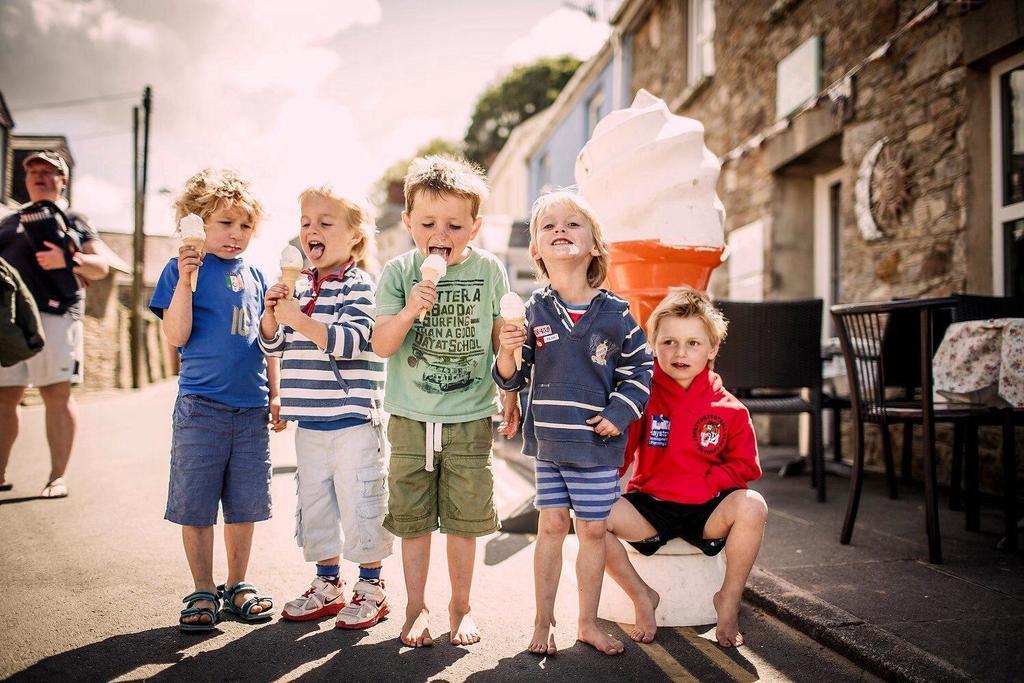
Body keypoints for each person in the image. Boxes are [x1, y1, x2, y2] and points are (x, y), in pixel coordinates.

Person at [494, 190, 653, 656]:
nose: (560, 229)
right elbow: (513, 376)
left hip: (596, 444)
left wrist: (618, 413)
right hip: (549, 443)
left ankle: (587, 623)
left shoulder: (617, 313)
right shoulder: (529, 311)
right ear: (537, 251)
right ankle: (543, 621)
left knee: (591, 532)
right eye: (548, 226)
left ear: (595, 246)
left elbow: (640, 371)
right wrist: (505, 349)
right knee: (549, 528)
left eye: (572, 223)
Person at [371, 155, 509, 648]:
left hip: (470, 417)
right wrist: (412, 307)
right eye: (428, 223)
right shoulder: (398, 272)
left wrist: (510, 354)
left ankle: (460, 605)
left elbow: (499, 341)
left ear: (475, 226)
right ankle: (416, 606)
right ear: (408, 222)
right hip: (410, 417)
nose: (441, 234)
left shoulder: (490, 270)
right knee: (413, 522)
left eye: (454, 225)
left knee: (464, 522)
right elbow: (382, 344)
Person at [149, 168, 282, 632]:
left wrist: (276, 394)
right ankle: (203, 588)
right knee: (197, 502)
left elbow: (266, 343)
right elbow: (176, 333)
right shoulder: (178, 270)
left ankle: (238, 584)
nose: (237, 235)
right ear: (198, 223)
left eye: (245, 226)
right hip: (201, 407)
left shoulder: (256, 274)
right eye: (225, 223)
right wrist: (186, 280)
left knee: (245, 503)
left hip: (250, 408)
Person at [260, 186, 394, 629]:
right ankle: (327, 582)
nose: (311, 230)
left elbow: (354, 340)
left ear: (356, 236)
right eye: (305, 222)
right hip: (310, 421)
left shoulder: (360, 284)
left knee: (361, 502)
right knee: (315, 505)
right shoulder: (297, 285)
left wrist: (297, 317)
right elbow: (274, 344)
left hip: (353, 418)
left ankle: (372, 586)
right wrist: (272, 316)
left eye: (325, 222)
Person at [605, 287, 767, 647]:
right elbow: (622, 454)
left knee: (753, 505)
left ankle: (728, 598)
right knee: (589, 512)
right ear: (654, 345)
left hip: (706, 510)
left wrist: (707, 482)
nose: (680, 352)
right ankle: (642, 595)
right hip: (650, 505)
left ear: (712, 349)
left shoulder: (730, 408)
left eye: (693, 343)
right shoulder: (641, 395)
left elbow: (746, 466)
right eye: (669, 342)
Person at [0, 151, 111, 496]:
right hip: (11, 321)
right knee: (5, 397)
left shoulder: (74, 218)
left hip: (56, 314)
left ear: (63, 180)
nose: (39, 176)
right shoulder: (8, 220)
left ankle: (56, 478)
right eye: (33, 171)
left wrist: (69, 259)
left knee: (56, 394)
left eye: (48, 172)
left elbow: (101, 266)